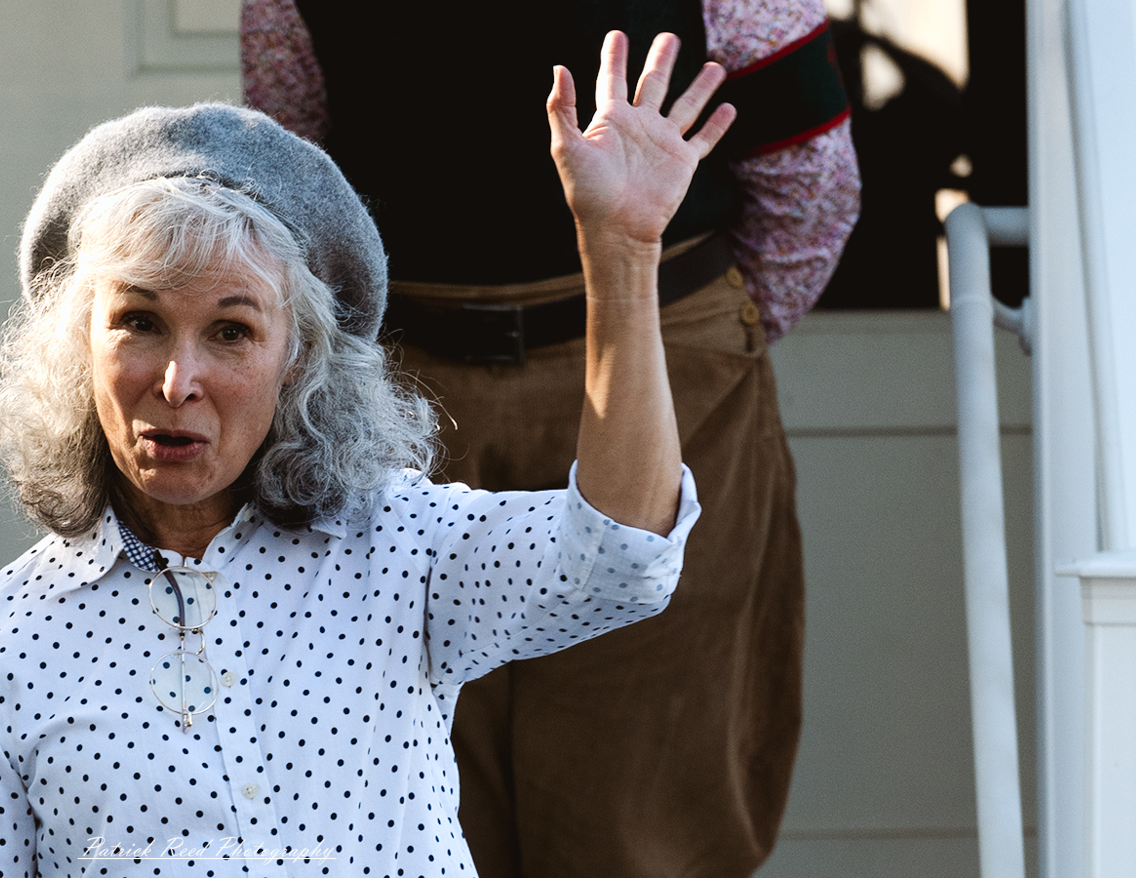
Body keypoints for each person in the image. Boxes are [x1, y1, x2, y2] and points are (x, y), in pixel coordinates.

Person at [0, 32, 727, 877]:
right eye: (139, 323)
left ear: (297, 358)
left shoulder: (402, 550)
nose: (178, 382)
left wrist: (623, 254)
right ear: (81, 344)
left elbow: (620, 554)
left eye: (231, 332)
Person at [244, 2, 859, 875]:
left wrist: (692, 334)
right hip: (401, 387)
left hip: (660, 362)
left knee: (649, 779)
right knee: (414, 767)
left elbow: (812, 186)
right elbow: (293, 173)